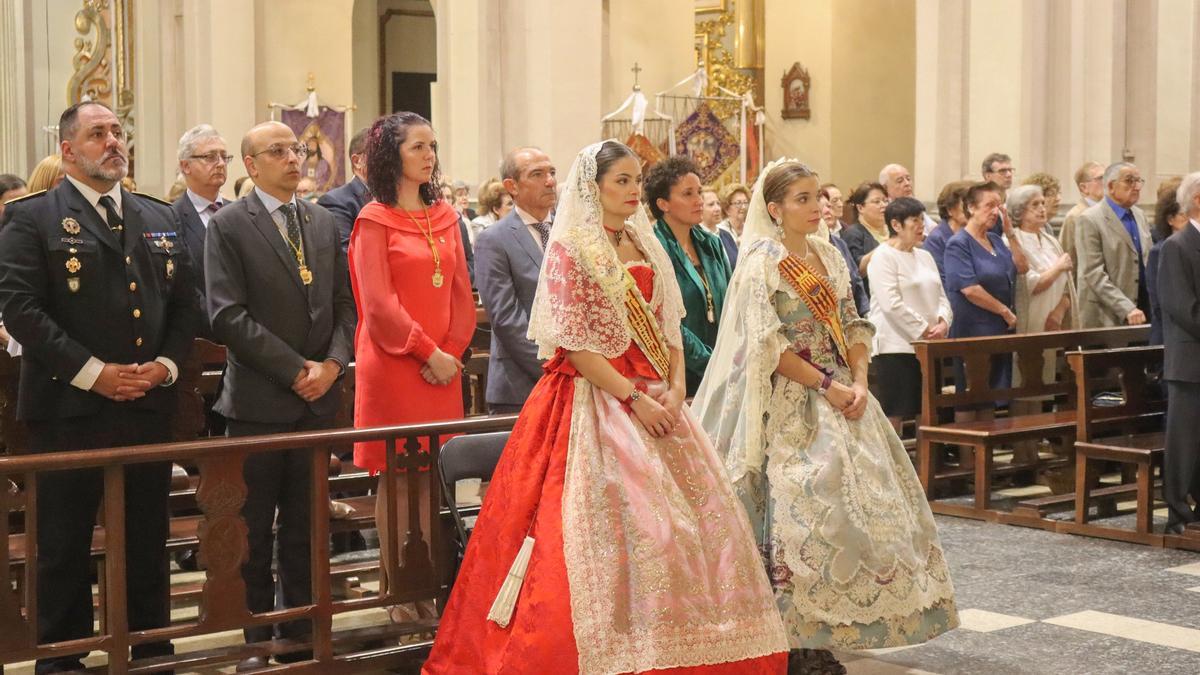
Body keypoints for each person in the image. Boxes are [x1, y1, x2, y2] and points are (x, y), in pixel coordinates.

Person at [425, 141, 788, 674]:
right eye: (621, 180)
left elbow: (669, 326)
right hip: (597, 401)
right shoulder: (573, 246)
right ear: (592, 188)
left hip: (659, 399)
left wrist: (676, 386)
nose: (633, 190)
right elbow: (574, 346)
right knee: (636, 535)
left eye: (636, 180)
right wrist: (636, 397)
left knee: (693, 534)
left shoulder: (645, 240)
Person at [692, 159, 957, 673]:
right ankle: (790, 637)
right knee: (802, 518)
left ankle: (833, 627)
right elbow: (767, 344)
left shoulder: (830, 255)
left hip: (846, 394)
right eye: (803, 199)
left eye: (819, 197)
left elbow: (854, 322)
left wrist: (858, 382)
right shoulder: (761, 264)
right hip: (792, 402)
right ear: (775, 209)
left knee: (863, 520)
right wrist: (828, 387)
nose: (817, 207)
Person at [0, 101, 200, 673]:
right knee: (63, 543)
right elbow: (21, 309)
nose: (112, 141)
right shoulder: (33, 217)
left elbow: (186, 305)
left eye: (117, 132)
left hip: (147, 404)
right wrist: (96, 374)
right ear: (68, 151)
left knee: (145, 537)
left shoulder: (157, 215)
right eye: (96, 134)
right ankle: (62, 658)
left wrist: (165, 365)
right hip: (69, 407)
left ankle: (151, 646)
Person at [205, 120, 356, 669]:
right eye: (279, 151)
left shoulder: (320, 220)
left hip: (317, 402)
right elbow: (226, 314)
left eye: (297, 149)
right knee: (251, 532)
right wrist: (296, 370)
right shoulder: (228, 225)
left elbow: (344, 304)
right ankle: (255, 640)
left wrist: (335, 364)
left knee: (307, 528)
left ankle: (301, 633)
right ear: (252, 164)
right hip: (259, 405)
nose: (295, 158)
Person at [349, 112, 476, 621]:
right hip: (396, 364)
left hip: (442, 367)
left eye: (433, 146)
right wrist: (429, 353)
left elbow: (463, 294)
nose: (430, 155)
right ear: (390, 156)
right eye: (417, 147)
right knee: (398, 477)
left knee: (431, 478)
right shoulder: (373, 221)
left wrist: (453, 353)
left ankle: (427, 584)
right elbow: (377, 305)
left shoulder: (445, 216)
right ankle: (402, 595)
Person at [474, 146, 556, 413]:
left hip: (577, 378)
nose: (550, 181)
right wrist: (557, 368)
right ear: (512, 186)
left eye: (552, 172)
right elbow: (506, 318)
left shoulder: (567, 233)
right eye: (537, 174)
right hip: (520, 385)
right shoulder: (494, 239)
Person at [646, 156, 732, 396]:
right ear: (663, 204)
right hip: (679, 374)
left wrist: (729, 359)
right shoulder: (653, 248)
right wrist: (710, 363)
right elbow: (666, 320)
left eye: (699, 192)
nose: (699, 201)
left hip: (723, 369)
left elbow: (732, 304)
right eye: (688, 194)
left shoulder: (711, 243)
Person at [866, 197, 952, 434]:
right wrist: (925, 330)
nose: (921, 225)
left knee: (927, 409)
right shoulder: (883, 257)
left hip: (929, 345)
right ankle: (894, 470)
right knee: (897, 410)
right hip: (896, 346)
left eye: (922, 219)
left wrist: (943, 323)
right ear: (896, 225)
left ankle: (925, 468)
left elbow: (941, 295)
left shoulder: (924, 256)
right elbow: (891, 304)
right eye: (915, 220)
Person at [943, 182, 1025, 429]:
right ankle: (968, 461)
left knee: (988, 397)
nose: (995, 211)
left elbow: (1022, 267)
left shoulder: (996, 240)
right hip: (973, 330)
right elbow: (969, 289)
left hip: (998, 330)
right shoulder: (959, 244)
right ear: (971, 208)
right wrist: (1004, 310)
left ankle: (984, 461)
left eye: (999, 206)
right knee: (970, 397)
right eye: (989, 205)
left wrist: (1010, 232)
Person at [1007, 185, 1075, 463]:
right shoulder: (1015, 240)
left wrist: (1059, 312)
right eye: (1035, 204)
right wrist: (1058, 267)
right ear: (1020, 211)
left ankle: (1034, 447)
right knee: (1024, 384)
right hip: (1029, 320)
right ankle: (1021, 452)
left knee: (1042, 386)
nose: (1042, 209)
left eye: (1043, 203)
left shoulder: (1049, 240)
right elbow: (1029, 285)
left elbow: (1069, 285)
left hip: (1050, 322)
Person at [1159, 171, 1200, 535]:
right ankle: (1176, 515)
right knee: (1183, 443)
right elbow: (1182, 308)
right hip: (1189, 362)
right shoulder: (1177, 246)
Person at [1076, 162, 1152, 328]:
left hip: (1144, 310)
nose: (1137, 187)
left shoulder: (1140, 215)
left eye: (1138, 181)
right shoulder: (1089, 219)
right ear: (1111, 186)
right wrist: (1126, 308)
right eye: (1130, 181)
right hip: (1106, 316)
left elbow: (1148, 260)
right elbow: (1093, 273)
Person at [171, 124, 231, 325]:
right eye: (210, 157)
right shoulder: (171, 218)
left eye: (224, 156)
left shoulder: (241, 212)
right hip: (205, 332)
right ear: (185, 166)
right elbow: (184, 287)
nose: (221, 163)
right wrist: (228, 325)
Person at [317, 126, 372, 252]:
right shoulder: (336, 202)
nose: (390, 160)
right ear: (357, 161)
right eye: (381, 153)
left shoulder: (397, 198)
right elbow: (345, 257)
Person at [1149, 177, 1187, 345]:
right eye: (1184, 215)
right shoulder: (1159, 251)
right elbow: (1160, 305)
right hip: (1170, 337)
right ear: (1170, 219)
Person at [819, 187, 869, 316]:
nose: (827, 211)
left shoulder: (839, 243)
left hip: (849, 314)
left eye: (829, 206)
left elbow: (856, 280)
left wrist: (865, 313)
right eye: (822, 207)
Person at [839, 181, 890, 285]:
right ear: (860, 208)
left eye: (885, 201)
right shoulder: (853, 233)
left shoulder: (893, 229)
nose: (883, 205)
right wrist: (887, 245)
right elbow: (857, 271)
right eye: (877, 202)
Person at [923, 180, 973, 282]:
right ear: (950, 209)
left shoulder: (979, 234)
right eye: (966, 205)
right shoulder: (936, 240)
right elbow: (942, 281)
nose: (972, 210)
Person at [1059, 161, 1105, 266]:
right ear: (1083, 188)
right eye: (1101, 178)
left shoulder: (1110, 212)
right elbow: (1069, 256)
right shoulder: (1075, 216)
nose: (1107, 182)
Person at [880, 163, 938, 236]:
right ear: (885, 188)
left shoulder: (914, 206)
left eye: (908, 179)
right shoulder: (882, 211)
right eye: (900, 181)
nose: (907, 183)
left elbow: (934, 230)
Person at [468, 177, 513, 243]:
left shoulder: (516, 225)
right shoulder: (480, 225)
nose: (514, 207)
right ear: (496, 209)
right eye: (510, 204)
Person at [717, 182, 749, 267]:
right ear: (727, 208)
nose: (743, 207)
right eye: (738, 203)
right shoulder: (719, 232)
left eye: (745, 202)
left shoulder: (751, 229)